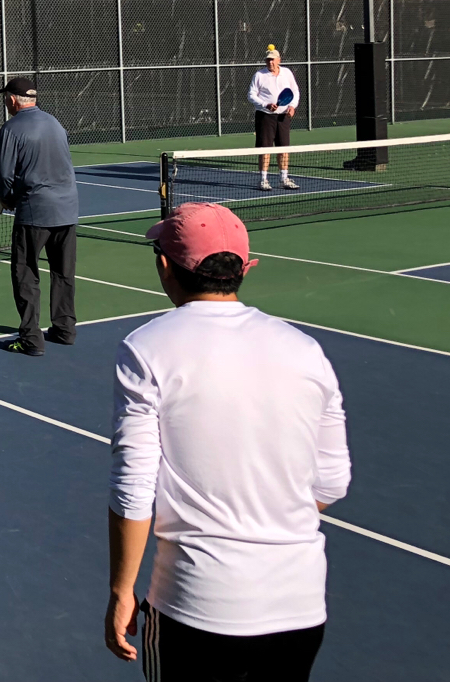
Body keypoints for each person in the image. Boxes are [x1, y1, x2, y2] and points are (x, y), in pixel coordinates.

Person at [105, 201, 350, 681]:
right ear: (242, 268)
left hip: (195, 605)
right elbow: (332, 483)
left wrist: (121, 591)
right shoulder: (306, 350)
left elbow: (133, 489)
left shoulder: (145, 348)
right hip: (299, 607)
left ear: (164, 266)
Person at [0, 77, 79, 354]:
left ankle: (31, 339)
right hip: (67, 209)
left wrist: (6, 199)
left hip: (34, 212)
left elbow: (5, 174)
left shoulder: (11, 128)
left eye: (6, 96)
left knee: (26, 275)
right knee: (63, 274)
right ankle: (65, 330)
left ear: (13, 99)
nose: (5, 101)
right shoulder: (55, 123)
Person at [248, 45, 301, 191]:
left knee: (284, 148)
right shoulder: (259, 75)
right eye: (268, 60)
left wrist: (292, 106)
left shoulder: (287, 73)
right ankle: (263, 180)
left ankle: (284, 178)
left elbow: (294, 91)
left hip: (283, 117)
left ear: (278, 60)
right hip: (265, 117)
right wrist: (265, 104)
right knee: (265, 149)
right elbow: (251, 95)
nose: (270, 62)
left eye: (272, 59)